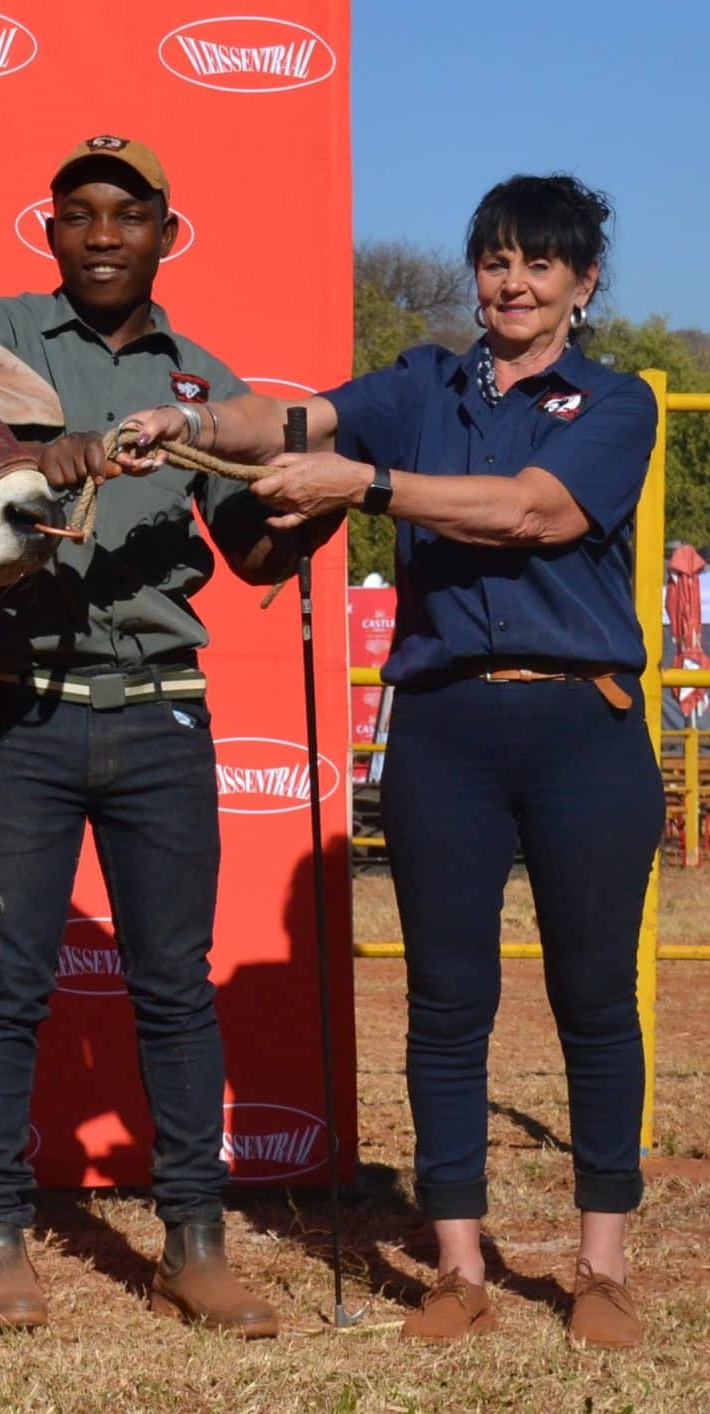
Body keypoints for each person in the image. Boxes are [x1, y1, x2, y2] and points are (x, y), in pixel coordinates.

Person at [116, 173, 656, 1350]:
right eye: (494, 259)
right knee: (446, 1003)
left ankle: (600, 1267)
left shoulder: (616, 404)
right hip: (443, 731)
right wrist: (193, 425)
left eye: (539, 264)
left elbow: (532, 514)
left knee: (594, 1001)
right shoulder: (419, 384)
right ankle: (455, 1264)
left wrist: (366, 485)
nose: (512, 283)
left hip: (586, 731)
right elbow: (288, 422)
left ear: (582, 281)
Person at [0, 135, 329, 1337]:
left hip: (163, 714)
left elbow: (249, 552)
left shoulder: (205, 382)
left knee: (173, 989)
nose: (102, 234)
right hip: (25, 708)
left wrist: (308, 501)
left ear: (170, 232)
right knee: (9, 986)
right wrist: (18, 455)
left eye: (128, 214)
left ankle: (194, 1244)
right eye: (79, 213)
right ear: (46, 228)